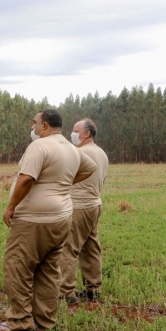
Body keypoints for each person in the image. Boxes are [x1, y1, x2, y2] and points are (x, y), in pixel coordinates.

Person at [0, 109, 96, 331]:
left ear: (45, 125)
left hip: (34, 220)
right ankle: (45, 321)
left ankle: (19, 321)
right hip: (61, 218)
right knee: (48, 269)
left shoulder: (39, 146)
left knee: (17, 266)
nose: (33, 127)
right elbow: (91, 168)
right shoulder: (71, 148)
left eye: (35, 123)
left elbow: (27, 178)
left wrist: (11, 206)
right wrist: (61, 182)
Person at [59, 118, 109, 304]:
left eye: (75, 130)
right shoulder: (101, 153)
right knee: (91, 247)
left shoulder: (79, 153)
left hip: (79, 206)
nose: (72, 133)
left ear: (86, 133)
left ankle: (66, 292)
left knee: (69, 248)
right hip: (95, 204)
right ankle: (93, 289)